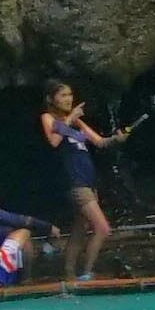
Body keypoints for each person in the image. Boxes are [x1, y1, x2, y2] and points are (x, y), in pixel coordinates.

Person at [40, 82, 136, 281]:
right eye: (63, 95)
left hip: (88, 183)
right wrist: (70, 119)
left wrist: (118, 138)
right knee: (103, 228)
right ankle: (87, 273)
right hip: (75, 183)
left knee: (79, 229)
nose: (68, 99)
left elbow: (100, 142)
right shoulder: (48, 118)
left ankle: (68, 273)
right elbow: (53, 141)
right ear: (51, 99)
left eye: (70, 94)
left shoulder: (77, 122)